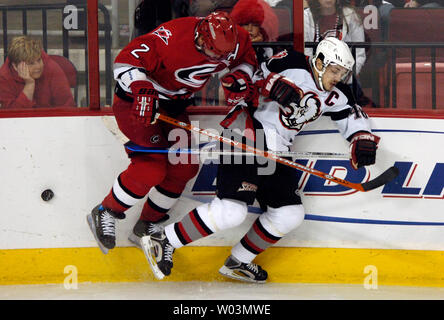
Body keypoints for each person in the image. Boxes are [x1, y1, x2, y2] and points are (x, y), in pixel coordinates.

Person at [141, 38, 380, 282]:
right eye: (335, 70)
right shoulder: (291, 61)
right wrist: (270, 84)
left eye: (343, 72)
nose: (338, 77)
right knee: (231, 211)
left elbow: (352, 115)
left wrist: (361, 138)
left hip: (278, 149)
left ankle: (238, 262)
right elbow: (247, 77)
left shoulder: (338, 93)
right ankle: (163, 240)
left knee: (289, 214)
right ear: (319, 62)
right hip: (246, 132)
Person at [87, 11, 258, 254]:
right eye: (214, 53)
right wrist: (140, 86)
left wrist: (241, 76)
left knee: (184, 166)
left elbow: (247, 58)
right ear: (201, 39)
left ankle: (147, 224)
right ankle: (106, 211)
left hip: (174, 106)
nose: (219, 59)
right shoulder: (171, 37)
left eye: (224, 55)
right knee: (151, 167)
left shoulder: (235, 39)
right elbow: (125, 60)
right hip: (137, 105)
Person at [0, 36, 75, 109]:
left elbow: (67, 106)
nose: (38, 66)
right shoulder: (4, 78)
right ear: (15, 67)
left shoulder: (51, 68)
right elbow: (12, 116)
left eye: (39, 60)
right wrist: (29, 84)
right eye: (31, 63)